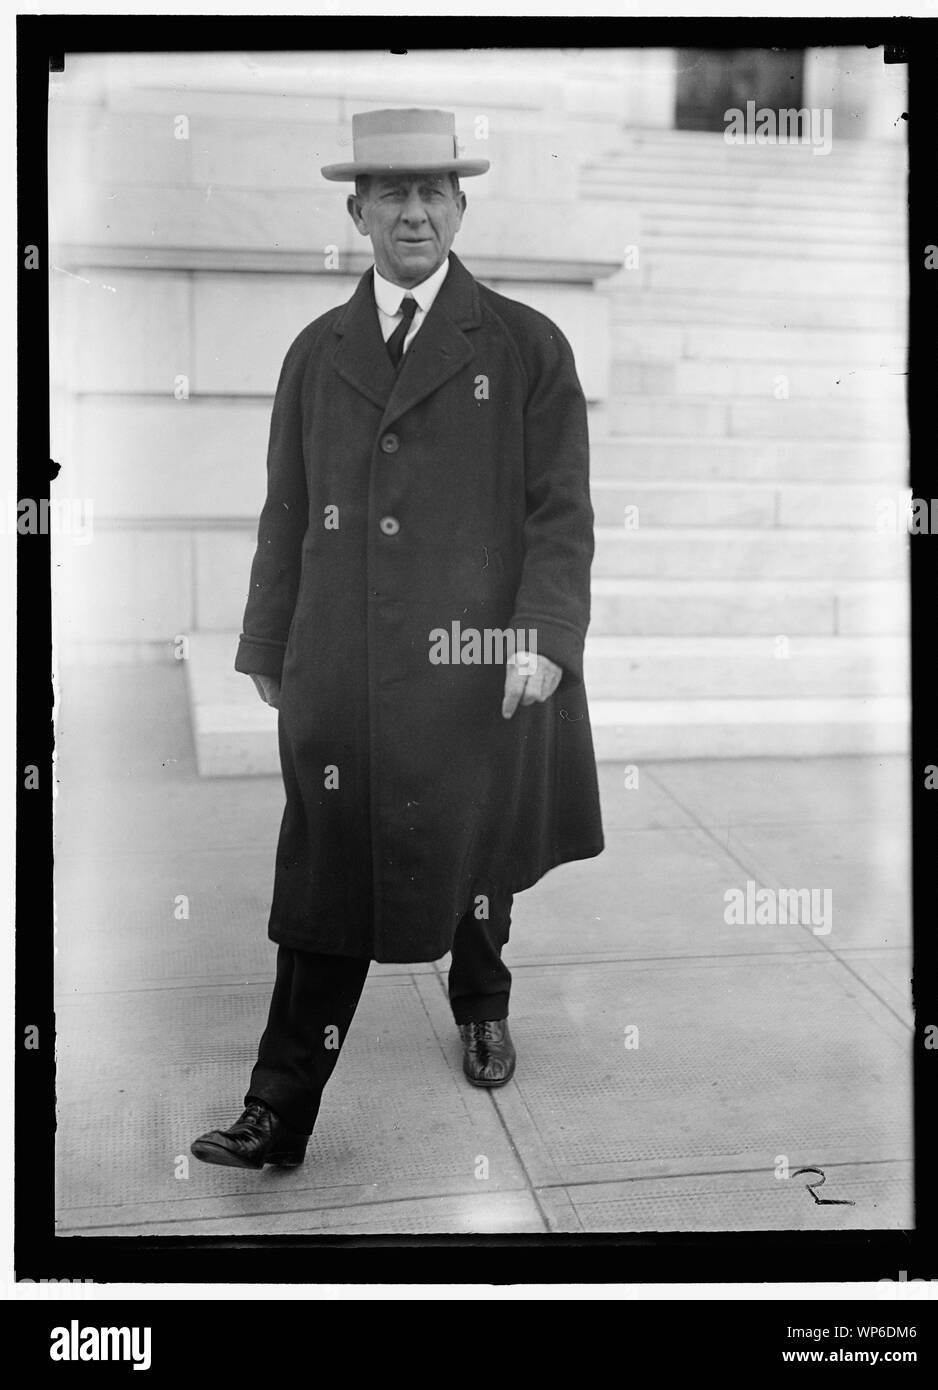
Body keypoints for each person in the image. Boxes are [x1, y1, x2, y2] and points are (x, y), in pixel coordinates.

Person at [192, 108, 604, 1170]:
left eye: (432, 193)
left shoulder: (523, 346)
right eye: (392, 194)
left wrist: (544, 634)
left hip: (474, 669)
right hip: (343, 668)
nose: (413, 212)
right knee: (325, 886)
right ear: (358, 211)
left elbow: (559, 512)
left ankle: (482, 1003)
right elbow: (286, 508)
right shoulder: (315, 352)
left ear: (460, 206)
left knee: (471, 865)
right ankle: (276, 1111)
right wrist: (268, 646)